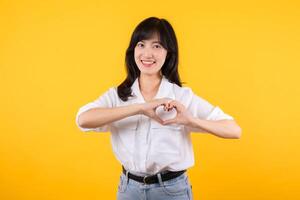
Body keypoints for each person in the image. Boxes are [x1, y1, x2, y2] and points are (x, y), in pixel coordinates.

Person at [75, 17, 242, 200]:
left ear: (168, 53)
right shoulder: (117, 96)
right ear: (133, 50)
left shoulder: (181, 96)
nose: (147, 54)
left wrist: (191, 120)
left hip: (172, 191)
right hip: (128, 190)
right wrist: (140, 108)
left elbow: (234, 130)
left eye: (157, 46)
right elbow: (83, 119)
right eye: (141, 44)